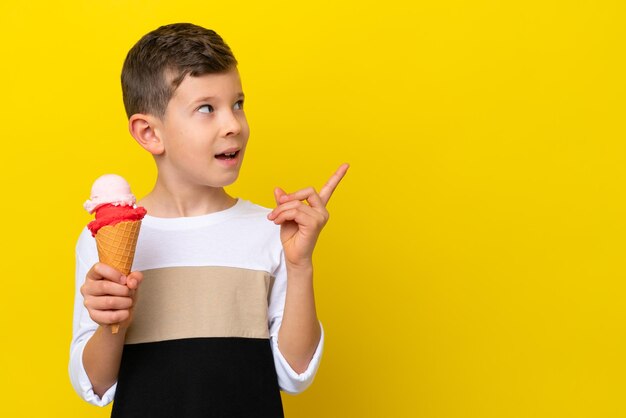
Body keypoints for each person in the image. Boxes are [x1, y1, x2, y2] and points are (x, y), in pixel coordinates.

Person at [69, 22, 348, 417]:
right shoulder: (103, 237)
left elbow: (295, 373)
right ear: (149, 133)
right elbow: (94, 386)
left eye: (237, 103)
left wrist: (299, 265)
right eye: (206, 109)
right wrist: (112, 321)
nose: (233, 124)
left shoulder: (270, 230)